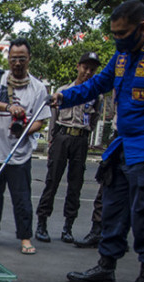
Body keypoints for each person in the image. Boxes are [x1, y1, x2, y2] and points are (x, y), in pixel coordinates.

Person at [54, 0, 144, 282]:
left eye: (123, 33)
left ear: (142, 27)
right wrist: (63, 97)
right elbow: (97, 85)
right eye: (114, 34)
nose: (118, 38)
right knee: (113, 211)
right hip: (123, 146)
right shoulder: (121, 56)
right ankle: (106, 266)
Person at [0, 38, 50, 255]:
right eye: (13, 58)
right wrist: (8, 106)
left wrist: (24, 129)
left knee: (21, 197)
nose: (17, 63)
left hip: (19, 153)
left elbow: (41, 120)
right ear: (8, 58)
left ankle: (25, 237)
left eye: (22, 58)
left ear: (29, 59)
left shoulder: (38, 87)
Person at [35, 52, 103, 244]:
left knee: (75, 185)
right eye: (85, 68)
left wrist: (86, 136)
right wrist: (51, 141)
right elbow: (53, 117)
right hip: (62, 137)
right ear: (78, 67)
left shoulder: (95, 96)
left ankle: (68, 227)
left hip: (80, 139)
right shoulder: (64, 91)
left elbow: (94, 118)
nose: (88, 72)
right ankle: (42, 224)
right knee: (52, 181)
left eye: (92, 69)